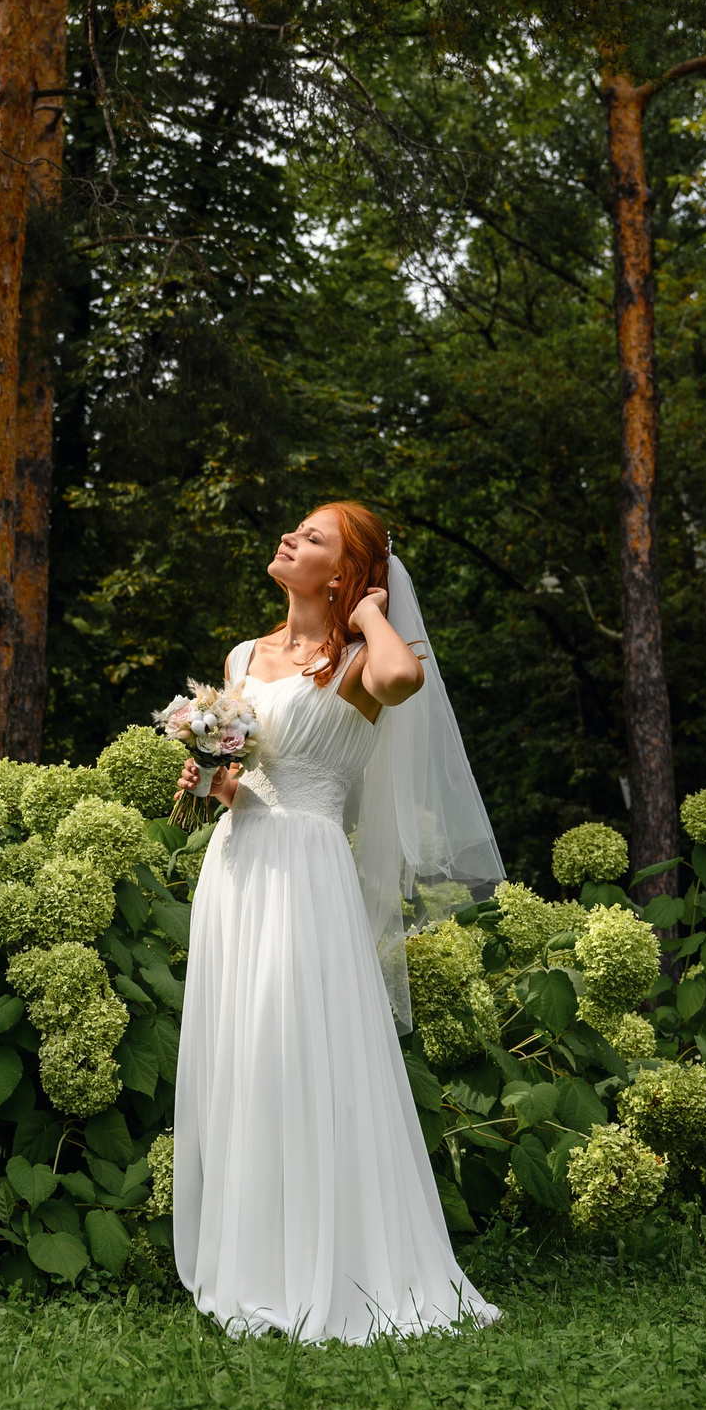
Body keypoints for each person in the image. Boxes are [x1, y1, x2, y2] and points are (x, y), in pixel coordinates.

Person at [169, 501, 503, 1343]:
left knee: (295, 1048)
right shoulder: (243, 655)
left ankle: (333, 1260)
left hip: (308, 872)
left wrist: (368, 612)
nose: (289, 537)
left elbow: (402, 681)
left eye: (314, 538)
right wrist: (214, 781)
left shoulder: (361, 658)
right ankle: (252, 1258)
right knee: (242, 1052)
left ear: (344, 571)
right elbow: (253, 770)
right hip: (239, 867)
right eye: (295, 527)